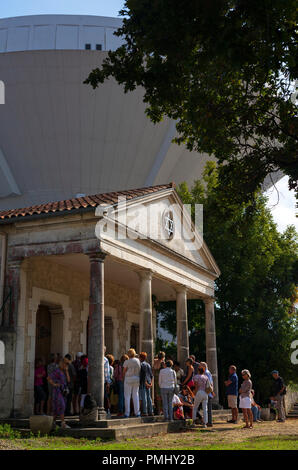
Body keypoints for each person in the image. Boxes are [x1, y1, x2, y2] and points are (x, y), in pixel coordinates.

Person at [47, 359, 70, 429]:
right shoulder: (57, 371)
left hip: (63, 391)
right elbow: (48, 378)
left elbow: (68, 380)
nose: (66, 365)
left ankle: (52, 423)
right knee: (61, 406)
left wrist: (66, 371)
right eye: (65, 364)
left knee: (57, 409)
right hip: (57, 391)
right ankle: (63, 423)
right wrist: (54, 384)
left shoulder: (64, 372)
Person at [123, 348, 141, 418]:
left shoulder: (126, 362)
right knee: (135, 395)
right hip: (136, 378)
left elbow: (124, 371)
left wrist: (123, 377)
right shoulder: (138, 361)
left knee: (127, 396)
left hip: (128, 379)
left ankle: (127, 413)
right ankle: (137, 412)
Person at [200, 361, 215, 427]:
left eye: (200, 366)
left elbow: (209, 383)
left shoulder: (206, 372)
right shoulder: (207, 372)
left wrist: (211, 391)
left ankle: (209, 421)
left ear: (203, 366)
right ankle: (208, 421)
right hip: (208, 392)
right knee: (208, 407)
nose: (199, 367)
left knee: (207, 407)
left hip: (207, 392)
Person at [139, 352, 153, 416]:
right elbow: (151, 375)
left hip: (143, 382)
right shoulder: (148, 364)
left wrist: (146, 383)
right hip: (149, 381)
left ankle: (145, 411)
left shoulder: (141, 364)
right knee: (149, 397)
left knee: (144, 397)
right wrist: (151, 383)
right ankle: (151, 411)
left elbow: (143, 375)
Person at [104, 346, 112, 415]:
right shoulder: (105, 360)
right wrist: (108, 382)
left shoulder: (92, 358)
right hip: (103, 381)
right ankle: (107, 410)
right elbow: (106, 372)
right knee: (105, 396)